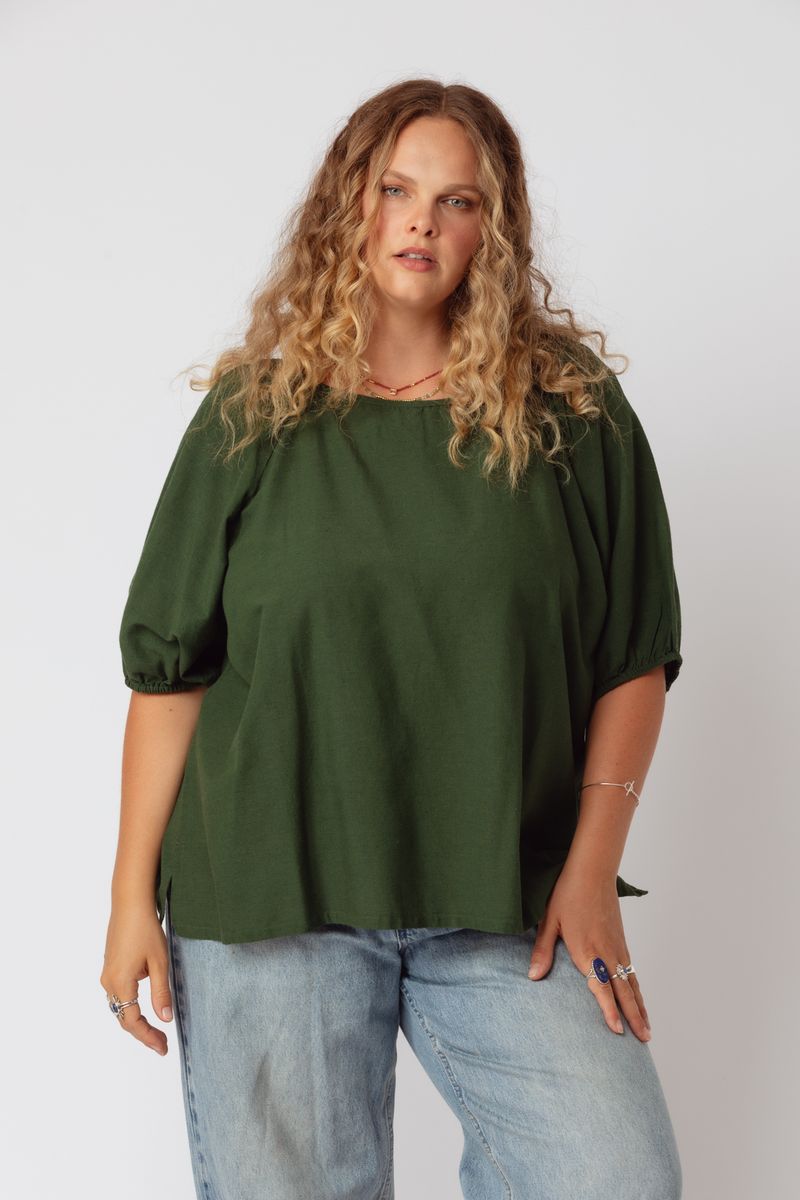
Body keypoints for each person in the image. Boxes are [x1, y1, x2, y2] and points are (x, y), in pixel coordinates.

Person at [100, 78, 684, 1199]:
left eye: (457, 200)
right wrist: (130, 895)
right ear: (348, 207)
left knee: (613, 1178)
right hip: (269, 898)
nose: (421, 223)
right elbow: (170, 673)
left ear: (492, 228)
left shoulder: (570, 413)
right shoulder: (253, 417)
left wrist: (591, 868)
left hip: (507, 896)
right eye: (395, 191)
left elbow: (634, 654)